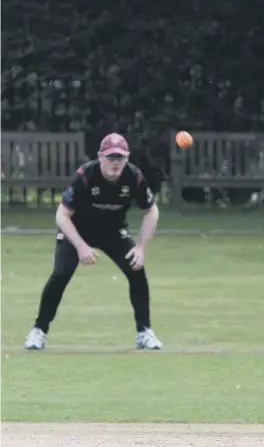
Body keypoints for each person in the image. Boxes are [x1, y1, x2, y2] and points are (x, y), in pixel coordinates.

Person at [25, 133, 162, 351]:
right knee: (60, 274)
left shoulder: (133, 177)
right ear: (101, 156)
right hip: (76, 230)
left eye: (120, 157)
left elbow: (151, 211)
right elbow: (62, 216)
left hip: (113, 231)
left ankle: (144, 332)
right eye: (111, 157)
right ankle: (39, 331)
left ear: (127, 158)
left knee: (137, 270)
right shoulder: (86, 176)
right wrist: (80, 246)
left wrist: (141, 247)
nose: (116, 162)